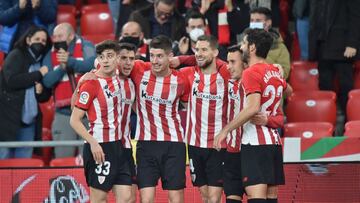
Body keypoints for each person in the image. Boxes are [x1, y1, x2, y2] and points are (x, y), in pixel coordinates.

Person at [214, 29, 288, 203]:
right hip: (273, 142)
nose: (242, 46)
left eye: (245, 43)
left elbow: (253, 107)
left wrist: (225, 130)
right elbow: (287, 92)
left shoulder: (250, 72)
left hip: (255, 142)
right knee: (271, 197)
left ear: (252, 47)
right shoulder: (275, 71)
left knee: (256, 197)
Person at [70, 40, 132, 203]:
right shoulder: (91, 82)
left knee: (126, 197)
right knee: (99, 199)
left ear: (117, 58)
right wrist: (93, 143)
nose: (105, 60)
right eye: (102, 57)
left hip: (119, 146)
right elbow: (74, 119)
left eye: (109, 56)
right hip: (99, 146)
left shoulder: (119, 77)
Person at [131, 35, 190, 203]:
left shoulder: (181, 79)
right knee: (146, 199)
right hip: (145, 144)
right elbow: (111, 61)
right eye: (152, 55)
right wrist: (90, 73)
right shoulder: (139, 69)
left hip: (173, 144)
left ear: (170, 56)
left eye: (160, 56)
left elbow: (187, 107)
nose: (155, 61)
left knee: (175, 198)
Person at [179, 35, 229, 203]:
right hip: (194, 144)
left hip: (218, 145)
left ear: (215, 52)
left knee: (215, 198)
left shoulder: (226, 75)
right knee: (205, 196)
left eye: (204, 49)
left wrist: (276, 67)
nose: (199, 54)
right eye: (197, 49)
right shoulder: (188, 74)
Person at [42, 23, 96, 158]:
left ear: (71, 35)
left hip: (88, 113)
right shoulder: (50, 54)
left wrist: (70, 61)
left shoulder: (86, 46)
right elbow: (47, 81)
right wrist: (62, 67)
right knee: (63, 159)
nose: (56, 39)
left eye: (60, 36)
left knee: (90, 159)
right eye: (54, 36)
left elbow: (92, 65)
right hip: (63, 115)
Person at [0, 25, 52, 159]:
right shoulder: (16, 54)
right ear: (28, 40)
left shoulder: (41, 61)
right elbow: (11, 80)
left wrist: (40, 92)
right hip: (8, 118)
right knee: (3, 158)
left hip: (30, 121)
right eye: (37, 39)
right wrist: (38, 74)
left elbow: (45, 96)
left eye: (43, 40)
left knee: (23, 164)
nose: (40, 42)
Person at [308, 0, 360, 117]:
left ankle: (348, 118)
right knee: (324, 84)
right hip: (322, 44)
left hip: (343, 47)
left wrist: (352, 43)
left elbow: (356, 18)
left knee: (345, 85)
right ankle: (326, 117)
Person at [248, 7, 291, 79]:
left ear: (268, 22)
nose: (254, 24)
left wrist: (260, 54)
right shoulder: (244, 44)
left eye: (258, 21)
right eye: (252, 21)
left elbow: (284, 74)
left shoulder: (280, 47)